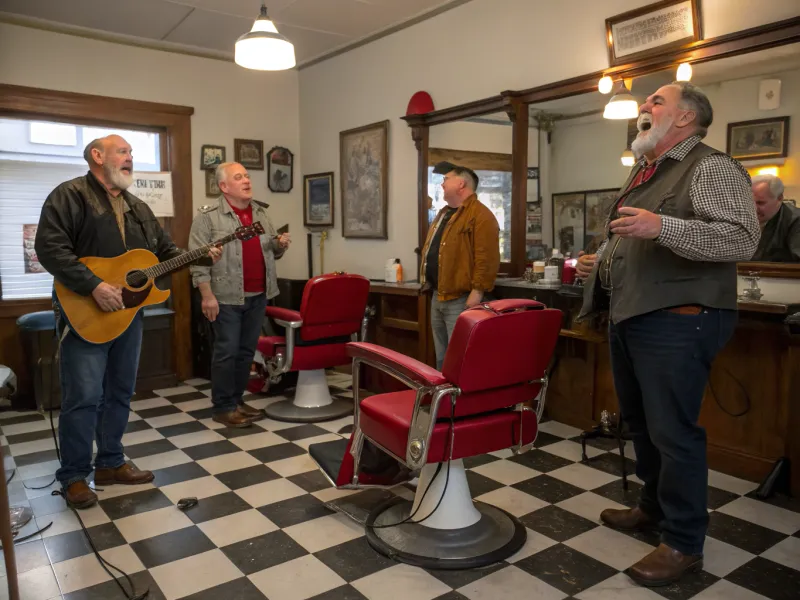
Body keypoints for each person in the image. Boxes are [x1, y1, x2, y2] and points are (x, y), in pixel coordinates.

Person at [576, 82, 760, 586]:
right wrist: (602, 262)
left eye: (656, 101)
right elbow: (637, 238)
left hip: (678, 317)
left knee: (673, 433)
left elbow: (742, 236)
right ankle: (652, 509)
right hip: (634, 314)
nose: (644, 107)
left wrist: (663, 228)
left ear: (684, 118)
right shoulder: (645, 170)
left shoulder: (711, 165)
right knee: (642, 425)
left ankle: (683, 542)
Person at [34, 135, 221, 509]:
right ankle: (73, 475)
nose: (130, 159)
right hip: (83, 311)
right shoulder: (67, 195)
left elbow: (164, 253)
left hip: (128, 315)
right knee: (84, 397)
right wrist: (94, 285)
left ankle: (110, 463)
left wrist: (200, 256)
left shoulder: (137, 207)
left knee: (119, 392)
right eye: (123, 152)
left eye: (132, 154)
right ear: (97, 157)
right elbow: (49, 248)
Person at [189, 162, 290, 428]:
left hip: (258, 294)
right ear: (224, 187)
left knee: (246, 352)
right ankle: (223, 407)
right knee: (227, 352)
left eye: (246, 176)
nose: (246, 180)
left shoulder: (260, 212)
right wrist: (207, 296)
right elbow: (198, 262)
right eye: (238, 177)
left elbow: (271, 250)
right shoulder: (207, 217)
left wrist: (279, 245)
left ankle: (236, 401)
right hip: (225, 296)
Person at [420, 162, 500, 369]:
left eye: (446, 179)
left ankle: (460, 402)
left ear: (461, 183)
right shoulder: (445, 213)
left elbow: (486, 257)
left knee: (460, 360)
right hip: (438, 294)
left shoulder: (481, 216)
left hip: (460, 299)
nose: (442, 184)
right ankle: (444, 401)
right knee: (441, 358)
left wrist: (477, 292)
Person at [749, 174, 800, 262]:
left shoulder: (796, 220)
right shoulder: (740, 218)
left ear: (780, 198)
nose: (753, 208)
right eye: (749, 202)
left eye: (760, 203)